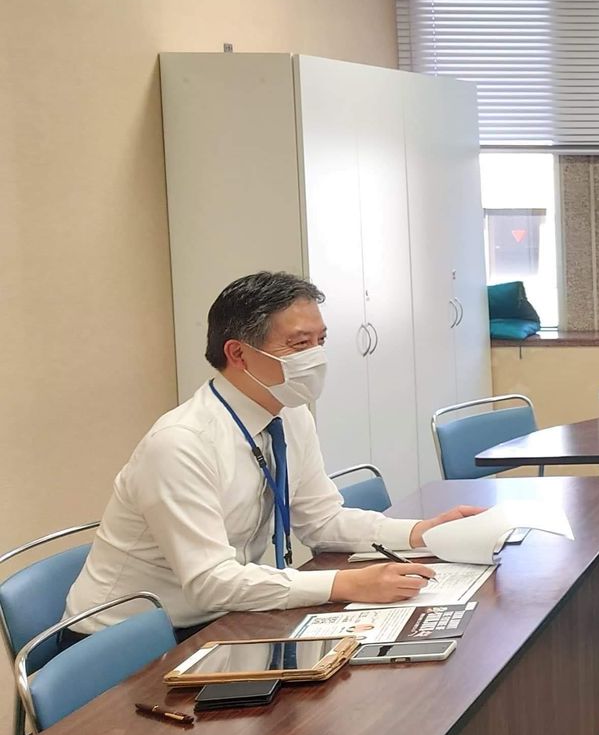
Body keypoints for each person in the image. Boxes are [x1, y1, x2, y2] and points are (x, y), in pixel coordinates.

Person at [63, 272, 483, 638]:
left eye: (320, 341)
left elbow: (321, 521)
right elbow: (211, 582)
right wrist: (346, 584)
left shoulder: (289, 413)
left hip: (224, 616)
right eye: (299, 344)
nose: (316, 357)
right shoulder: (181, 443)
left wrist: (420, 533)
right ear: (238, 354)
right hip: (130, 645)